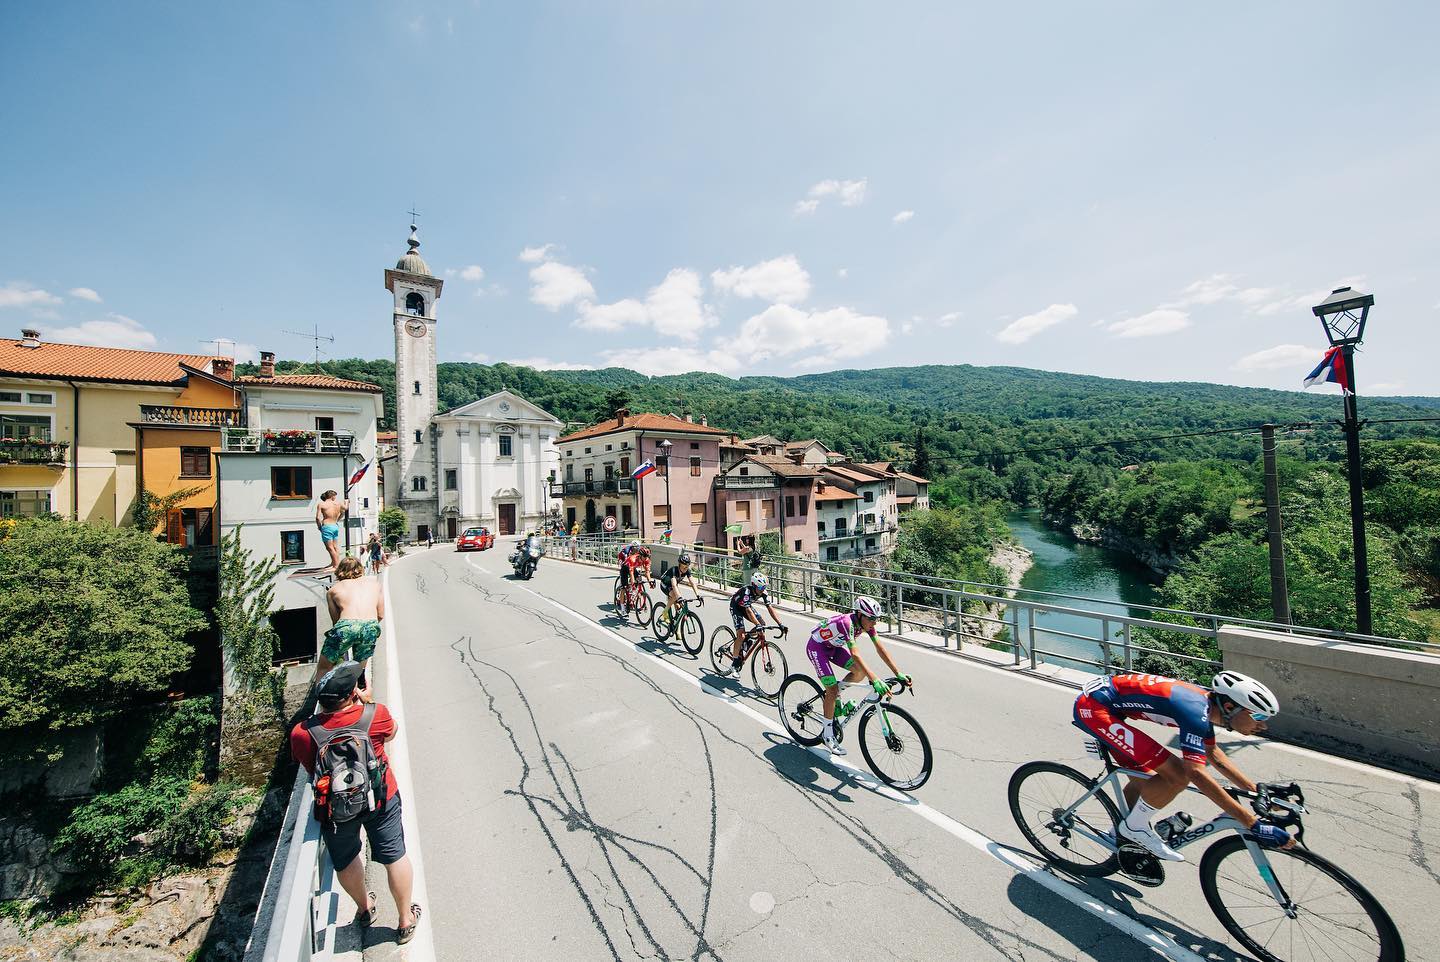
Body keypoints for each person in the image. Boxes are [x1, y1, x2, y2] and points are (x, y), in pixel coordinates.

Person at [1072, 670, 1293, 862]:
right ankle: (1134, 828)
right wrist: (1251, 823)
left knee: (1148, 783)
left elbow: (1215, 756)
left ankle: (1119, 834)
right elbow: (1195, 773)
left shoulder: (1206, 707)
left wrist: (1257, 793)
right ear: (1229, 707)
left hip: (1109, 705)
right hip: (1095, 709)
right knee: (1177, 776)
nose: (1262, 725)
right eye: (1258, 716)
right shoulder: (1195, 711)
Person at [290, 662, 422, 944]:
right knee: (394, 855)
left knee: (346, 859)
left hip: (336, 811)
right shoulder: (374, 715)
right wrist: (369, 702)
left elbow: (309, 769)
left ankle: (364, 908)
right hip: (380, 799)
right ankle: (404, 919)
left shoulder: (303, 733)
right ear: (353, 694)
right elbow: (393, 732)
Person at [805, 596, 911, 756]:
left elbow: (880, 648)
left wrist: (898, 673)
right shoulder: (847, 623)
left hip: (833, 647)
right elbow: (855, 654)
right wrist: (875, 679)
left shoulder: (866, 624)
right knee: (832, 690)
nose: (874, 623)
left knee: (859, 672)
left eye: (877, 619)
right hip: (817, 647)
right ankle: (827, 735)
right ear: (860, 615)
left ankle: (835, 694)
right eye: (872, 619)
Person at [316, 556, 384, 698]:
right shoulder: (374, 584)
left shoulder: (333, 590)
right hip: (370, 625)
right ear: (360, 569)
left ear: (340, 571)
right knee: (359, 667)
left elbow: (336, 622)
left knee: (324, 666)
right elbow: (381, 614)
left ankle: (322, 699)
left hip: (346, 625)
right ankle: (364, 697)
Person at [724, 571, 786, 670]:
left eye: (764, 587)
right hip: (736, 607)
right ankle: (735, 663)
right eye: (761, 587)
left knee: (762, 624)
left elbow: (770, 608)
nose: (763, 590)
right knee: (741, 634)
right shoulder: (747, 592)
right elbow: (748, 610)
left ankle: (746, 641)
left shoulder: (763, 592)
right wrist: (757, 625)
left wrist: (780, 624)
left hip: (746, 606)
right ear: (754, 585)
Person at [660, 553, 702, 625]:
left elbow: (692, 583)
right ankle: (664, 612)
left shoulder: (687, 570)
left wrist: (698, 595)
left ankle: (675, 624)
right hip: (665, 585)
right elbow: (673, 585)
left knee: (679, 606)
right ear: (679, 565)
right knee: (675, 596)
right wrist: (679, 598)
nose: (685, 569)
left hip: (674, 586)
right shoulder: (674, 570)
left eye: (687, 567)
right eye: (684, 567)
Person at [315, 490, 348, 571]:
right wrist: (346, 502)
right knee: (335, 546)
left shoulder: (322, 504)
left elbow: (318, 517)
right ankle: (334, 563)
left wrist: (319, 527)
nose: (335, 498)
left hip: (327, 526)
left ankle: (336, 566)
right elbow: (345, 509)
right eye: (334, 496)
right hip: (335, 526)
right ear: (332, 496)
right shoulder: (339, 504)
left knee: (329, 547)